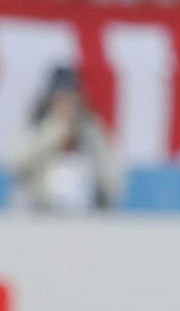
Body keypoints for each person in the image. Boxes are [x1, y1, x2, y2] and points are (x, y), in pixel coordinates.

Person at [5, 67, 123, 213]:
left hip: (85, 219)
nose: (66, 107)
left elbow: (112, 183)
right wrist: (52, 135)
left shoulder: (91, 132)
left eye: (70, 101)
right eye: (60, 100)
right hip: (40, 215)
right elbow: (15, 164)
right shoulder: (35, 130)